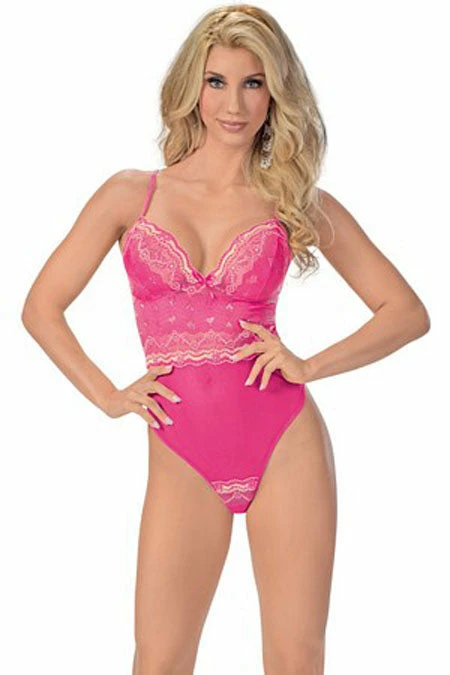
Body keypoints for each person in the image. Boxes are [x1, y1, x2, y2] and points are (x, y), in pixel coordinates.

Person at [21, 4, 430, 674]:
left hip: (284, 441)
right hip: (180, 448)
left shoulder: (292, 201)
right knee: (159, 660)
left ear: (275, 95)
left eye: (253, 83)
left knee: (296, 659)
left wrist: (309, 364)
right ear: (193, 86)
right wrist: (108, 395)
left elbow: (406, 312)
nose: (233, 104)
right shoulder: (130, 194)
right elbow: (42, 306)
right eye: (217, 82)